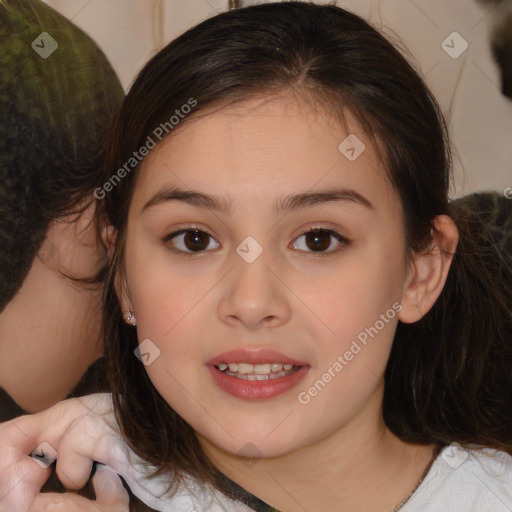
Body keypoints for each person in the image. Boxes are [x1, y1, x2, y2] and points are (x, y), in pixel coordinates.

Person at [1, 2, 511, 511]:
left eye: (317, 240)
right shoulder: (46, 483)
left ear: (420, 273)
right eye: (194, 240)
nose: (250, 302)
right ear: (124, 278)